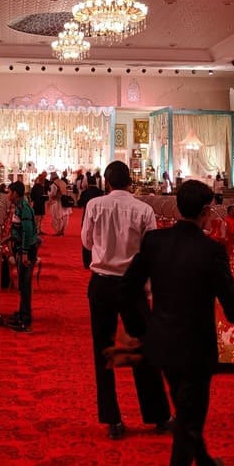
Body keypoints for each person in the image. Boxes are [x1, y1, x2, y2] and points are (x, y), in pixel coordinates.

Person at [122, 180, 234, 466]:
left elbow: (129, 287)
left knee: (187, 413)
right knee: (190, 421)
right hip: (195, 350)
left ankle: (205, 462)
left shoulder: (155, 241)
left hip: (163, 344)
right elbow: (233, 309)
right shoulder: (211, 251)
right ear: (205, 212)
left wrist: (147, 325)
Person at [80, 160, 172, 440]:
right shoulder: (143, 210)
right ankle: (159, 416)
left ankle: (113, 420)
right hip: (132, 286)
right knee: (143, 348)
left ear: (106, 182)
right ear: (130, 182)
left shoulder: (94, 205)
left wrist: (106, 248)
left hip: (102, 283)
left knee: (103, 350)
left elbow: (86, 242)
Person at [5, 180, 39, 332]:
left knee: (25, 285)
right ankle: (21, 313)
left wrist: (24, 252)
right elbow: (18, 229)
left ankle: (25, 320)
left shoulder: (23, 208)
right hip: (22, 249)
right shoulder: (19, 206)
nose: (8, 195)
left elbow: (27, 231)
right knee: (22, 284)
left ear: (15, 194)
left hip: (27, 251)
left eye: (9, 192)